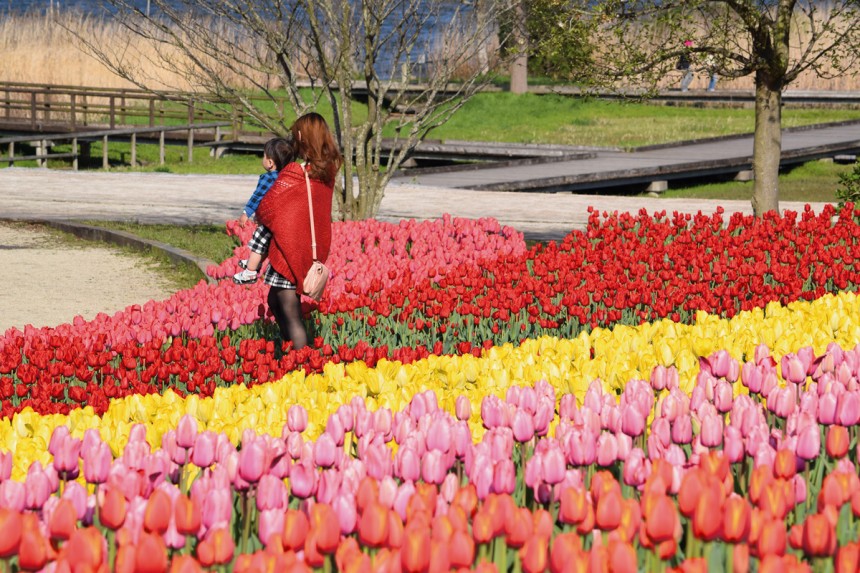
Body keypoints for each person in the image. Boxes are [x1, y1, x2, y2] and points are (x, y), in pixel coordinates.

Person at [254, 113, 343, 350]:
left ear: (302, 136)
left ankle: (302, 362)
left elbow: (268, 207)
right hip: (308, 247)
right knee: (275, 299)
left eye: (295, 134)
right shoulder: (327, 171)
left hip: (290, 248)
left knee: (289, 308)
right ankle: (291, 349)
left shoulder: (297, 172)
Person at [233, 137, 296, 284]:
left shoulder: (268, 179)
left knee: (257, 245)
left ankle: (249, 272)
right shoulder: (288, 178)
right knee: (266, 247)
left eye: (264, 155)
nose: (263, 158)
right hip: (281, 221)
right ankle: (254, 264)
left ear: (270, 162)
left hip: (268, 222)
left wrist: (246, 213)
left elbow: (257, 197)